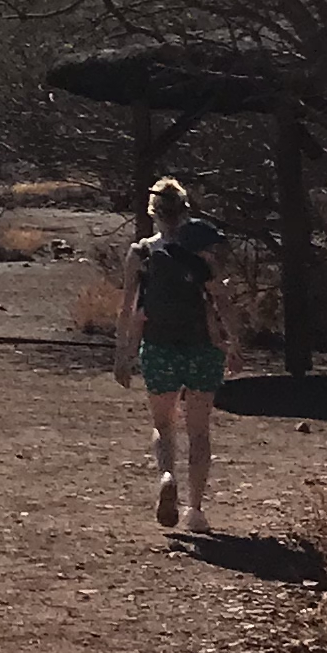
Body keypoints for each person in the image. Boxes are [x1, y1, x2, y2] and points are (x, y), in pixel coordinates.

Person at [113, 176, 228, 530]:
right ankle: (195, 509)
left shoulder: (141, 253)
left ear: (154, 214)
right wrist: (233, 341)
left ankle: (166, 476)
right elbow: (219, 298)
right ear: (184, 212)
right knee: (199, 430)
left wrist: (124, 354)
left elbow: (129, 308)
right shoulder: (202, 253)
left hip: (159, 346)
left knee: (163, 424)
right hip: (202, 348)